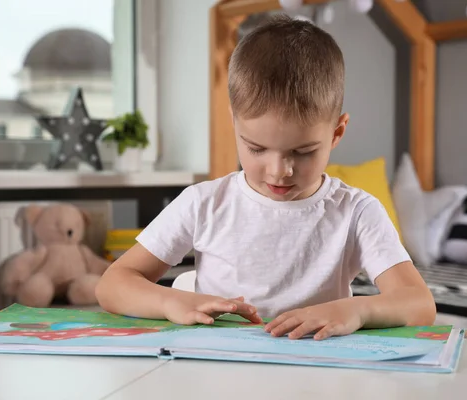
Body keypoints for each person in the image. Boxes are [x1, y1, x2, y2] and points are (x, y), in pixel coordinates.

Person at [95, 14, 436, 341]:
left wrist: (356, 311)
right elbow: (114, 284)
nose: (279, 171)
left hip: (316, 372)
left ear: (337, 132)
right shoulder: (204, 203)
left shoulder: (356, 211)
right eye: (257, 148)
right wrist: (170, 301)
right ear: (235, 123)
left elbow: (419, 304)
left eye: (302, 152)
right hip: (221, 371)